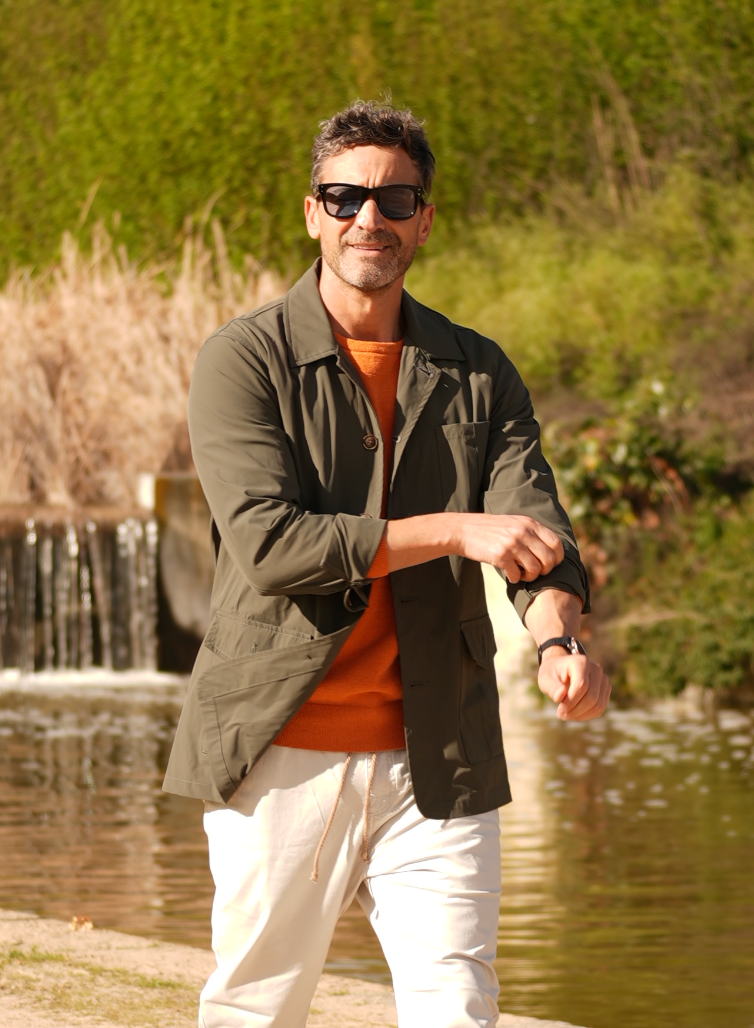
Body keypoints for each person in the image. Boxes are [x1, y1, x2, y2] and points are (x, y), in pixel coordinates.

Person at [163, 100, 611, 1028]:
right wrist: (452, 531)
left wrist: (558, 643)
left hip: (439, 753)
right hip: (279, 752)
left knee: (458, 1007)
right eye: (346, 197)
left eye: (395, 199)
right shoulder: (243, 360)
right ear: (312, 212)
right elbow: (274, 547)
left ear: (424, 220)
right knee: (256, 1010)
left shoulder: (479, 370)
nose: (370, 217)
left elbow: (532, 530)